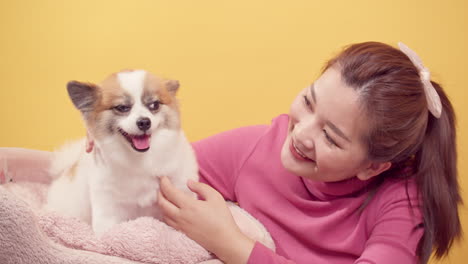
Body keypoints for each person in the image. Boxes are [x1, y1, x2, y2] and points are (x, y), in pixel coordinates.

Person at [0, 41, 462, 264]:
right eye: (308, 101)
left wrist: (235, 246)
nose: (301, 132)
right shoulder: (259, 145)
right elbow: (147, 178)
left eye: (332, 137)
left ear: (375, 166)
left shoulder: (400, 201)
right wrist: (26, 161)